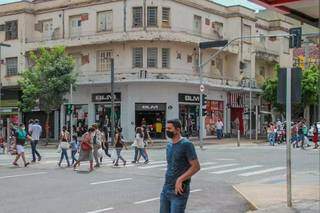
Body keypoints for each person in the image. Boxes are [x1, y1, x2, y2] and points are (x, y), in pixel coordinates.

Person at [160, 119, 200, 213]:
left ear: (178, 130)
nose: (167, 131)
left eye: (169, 129)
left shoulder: (186, 144)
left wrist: (180, 179)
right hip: (166, 189)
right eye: (166, 128)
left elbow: (196, 166)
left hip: (179, 191)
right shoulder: (169, 145)